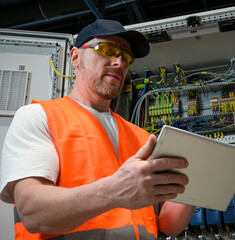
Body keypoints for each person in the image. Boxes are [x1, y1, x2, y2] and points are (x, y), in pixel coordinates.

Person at [0, 19, 195, 240]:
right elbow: (32, 212)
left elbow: (167, 224)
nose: (120, 63)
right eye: (107, 50)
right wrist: (115, 191)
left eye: (127, 57)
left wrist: (197, 185)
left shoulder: (142, 137)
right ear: (75, 57)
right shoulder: (39, 117)